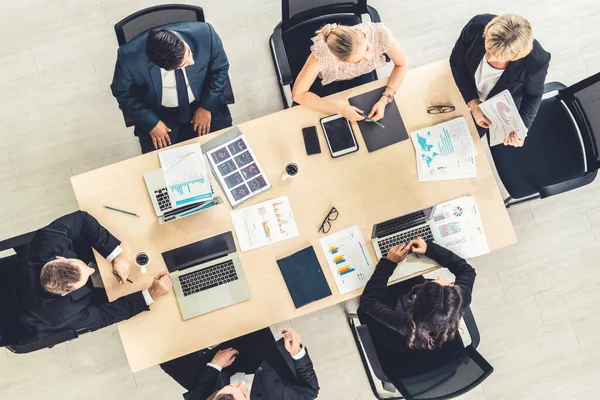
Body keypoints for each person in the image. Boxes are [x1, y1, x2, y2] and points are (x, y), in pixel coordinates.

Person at [12, 211, 173, 337]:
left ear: (59, 258)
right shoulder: (61, 314)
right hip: (25, 310)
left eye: (83, 266)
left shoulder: (47, 240)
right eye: (86, 276)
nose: (92, 270)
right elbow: (105, 316)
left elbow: (81, 218)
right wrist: (151, 294)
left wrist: (116, 255)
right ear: (66, 293)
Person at [358, 237, 476, 381]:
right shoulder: (457, 300)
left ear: (415, 298)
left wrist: (388, 264)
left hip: (399, 344)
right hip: (430, 354)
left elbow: (368, 302)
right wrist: (429, 249)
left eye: (435, 282)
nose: (439, 277)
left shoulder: (404, 324)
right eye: (447, 285)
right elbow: (467, 271)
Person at [111, 22, 232, 154]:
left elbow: (220, 69)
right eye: (183, 64)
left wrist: (207, 107)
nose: (191, 62)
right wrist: (151, 122)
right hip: (158, 112)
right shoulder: (129, 57)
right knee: (161, 162)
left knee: (225, 151)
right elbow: (122, 92)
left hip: (202, 100)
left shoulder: (206, 34)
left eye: (189, 53)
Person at [449, 13, 551, 147]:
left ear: (516, 56)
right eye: (488, 49)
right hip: (462, 86)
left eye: (498, 57)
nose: (489, 59)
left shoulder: (536, 62)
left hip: (492, 111)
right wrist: (472, 102)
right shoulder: (476, 26)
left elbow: (533, 96)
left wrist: (522, 129)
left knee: (462, 144)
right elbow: (457, 62)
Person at [292, 22, 409, 122]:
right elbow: (298, 94)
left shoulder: (380, 33)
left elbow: (402, 64)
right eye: (359, 60)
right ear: (339, 60)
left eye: (367, 48)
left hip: (361, 75)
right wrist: (340, 109)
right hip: (329, 81)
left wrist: (385, 99)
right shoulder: (323, 53)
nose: (368, 57)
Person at [160, 328, 319, 400]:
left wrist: (215, 366)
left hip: (222, 369)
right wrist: (297, 353)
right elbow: (310, 390)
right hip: (261, 362)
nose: (241, 384)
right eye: (242, 392)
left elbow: (199, 393)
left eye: (234, 388)